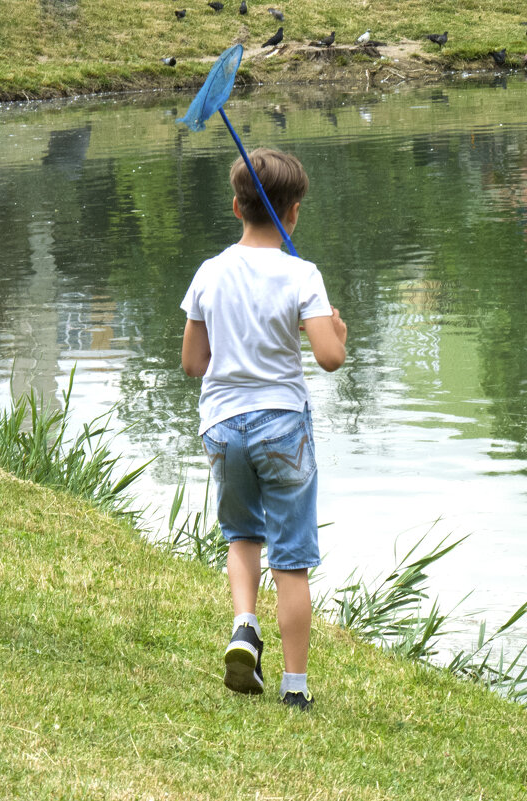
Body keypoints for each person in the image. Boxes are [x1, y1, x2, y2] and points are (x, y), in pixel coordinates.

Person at [180, 148, 348, 711]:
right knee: (292, 560)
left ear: (235, 206)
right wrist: (337, 330)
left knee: (243, 535)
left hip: (223, 425)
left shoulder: (209, 273)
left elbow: (194, 364)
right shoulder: (303, 275)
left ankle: (244, 626)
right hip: (282, 425)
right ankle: (295, 689)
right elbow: (329, 358)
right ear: (293, 212)